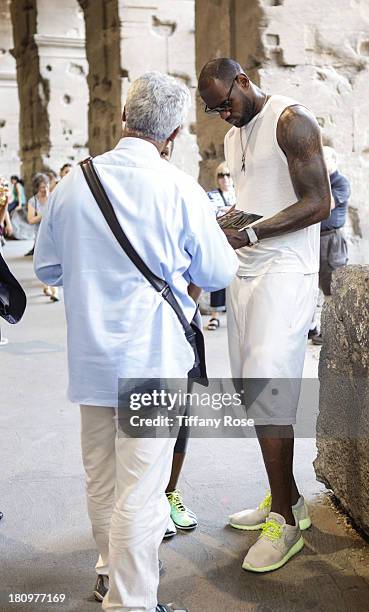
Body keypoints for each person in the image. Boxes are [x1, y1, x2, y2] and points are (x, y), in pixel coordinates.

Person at [34, 70, 238, 611]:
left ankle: (109, 575)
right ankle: (131, 603)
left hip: (91, 361)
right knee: (141, 491)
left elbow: (48, 269)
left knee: (101, 480)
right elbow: (218, 271)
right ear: (172, 137)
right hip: (152, 360)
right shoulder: (180, 190)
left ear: (123, 119)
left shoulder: (73, 183)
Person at [198, 57, 331, 573]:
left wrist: (249, 232)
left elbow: (317, 202)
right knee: (250, 390)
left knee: (269, 389)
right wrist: (229, 220)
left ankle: (289, 522)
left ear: (243, 81)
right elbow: (258, 202)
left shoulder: (290, 120)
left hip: (285, 273)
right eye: (213, 110)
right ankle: (286, 498)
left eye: (225, 103)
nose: (223, 116)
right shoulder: (236, 135)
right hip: (245, 272)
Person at [309, 145, 350, 345]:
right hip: (315, 239)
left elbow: (325, 206)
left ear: (334, 160)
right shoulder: (319, 182)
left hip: (331, 240)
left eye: (325, 159)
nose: (321, 164)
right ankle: (313, 328)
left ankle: (331, 333)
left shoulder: (340, 182)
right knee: (311, 287)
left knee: (331, 288)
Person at [206, 162, 236, 330]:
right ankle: (215, 315)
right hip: (219, 240)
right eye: (221, 175)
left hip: (239, 241)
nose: (224, 178)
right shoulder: (211, 195)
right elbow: (212, 214)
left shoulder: (240, 193)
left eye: (227, 174)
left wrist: (224, 212)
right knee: (218, 276)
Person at [27, 174, 58, 302]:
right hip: (40, 236)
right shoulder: (32, 201)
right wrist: (43, 214)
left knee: (56, 261)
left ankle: (54, 291)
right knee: (46, 262)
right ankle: (49, 288)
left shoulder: (53, 198)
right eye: (41, 188)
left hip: (55, 234)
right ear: (37, 189)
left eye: (46, 187)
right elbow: (30, 220)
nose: (44, 190)